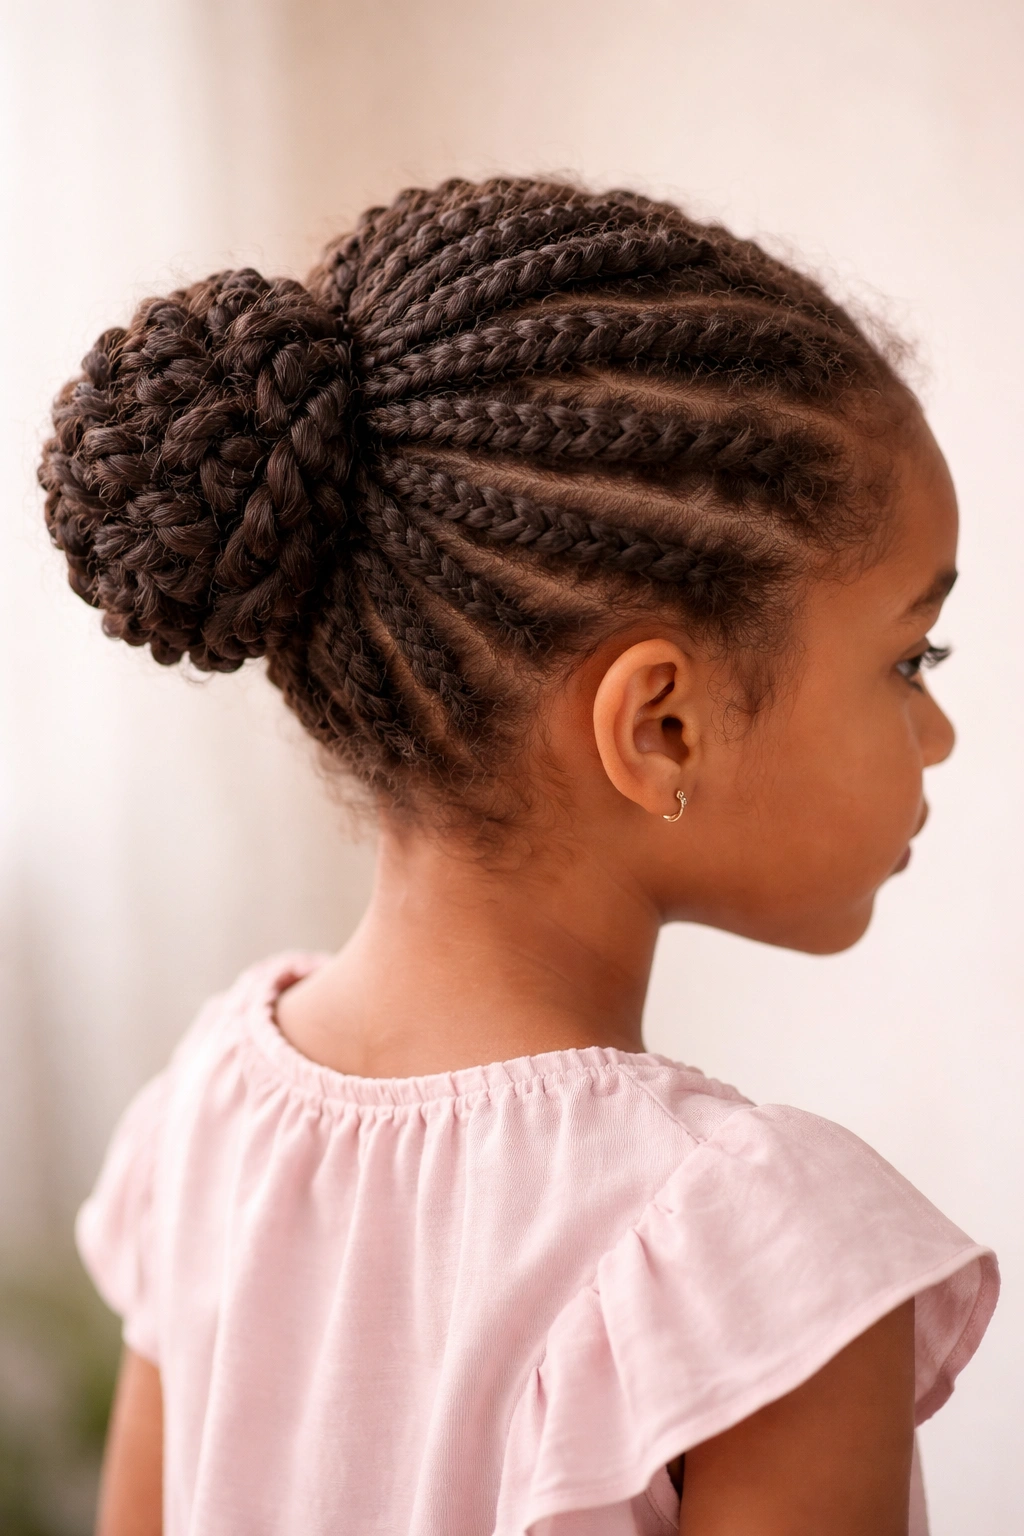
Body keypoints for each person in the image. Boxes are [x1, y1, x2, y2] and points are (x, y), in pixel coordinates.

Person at [40, 178, 997, 1536]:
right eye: (912, 657)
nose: (942, 732)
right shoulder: (757, 1261)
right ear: (658, 725)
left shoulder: (210, 1113)